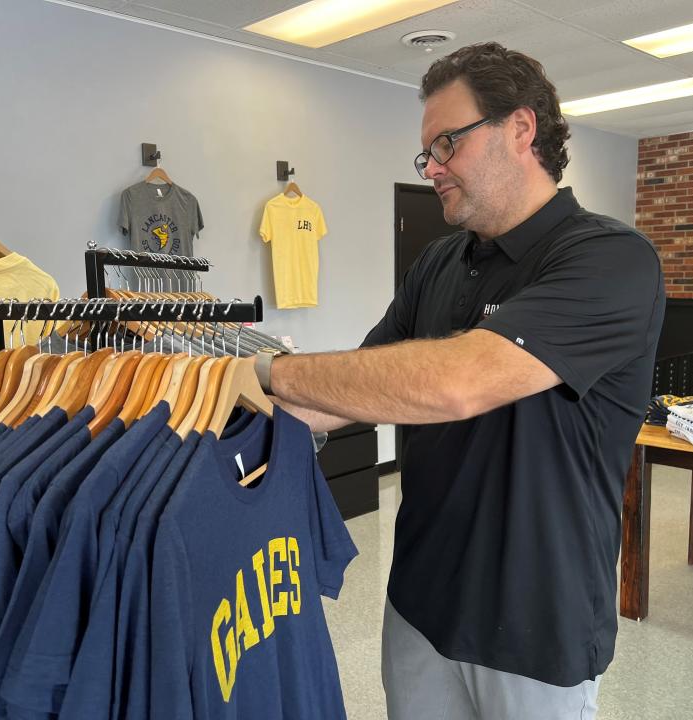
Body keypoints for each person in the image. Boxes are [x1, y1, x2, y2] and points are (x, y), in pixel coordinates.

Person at [255, 42, 666, 719]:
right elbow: (344, 398)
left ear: (521, 129)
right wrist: (207, 416)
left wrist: (265, 365)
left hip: (538, 630)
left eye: (448, 143)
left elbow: (459, 382)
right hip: (419, 606)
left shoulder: (610, 259)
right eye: (427, 153)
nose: (433, 168)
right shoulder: (438, 262)